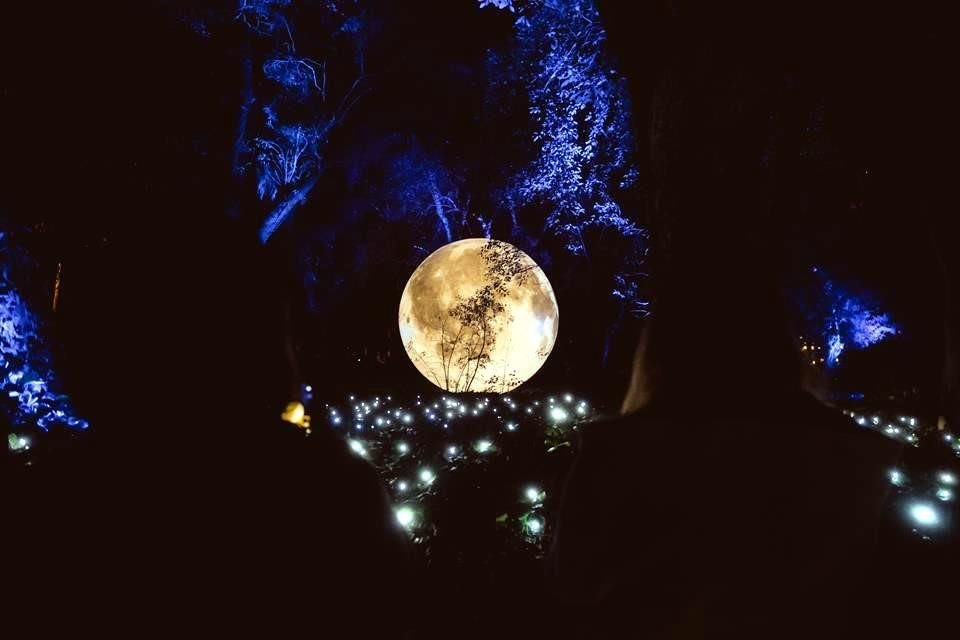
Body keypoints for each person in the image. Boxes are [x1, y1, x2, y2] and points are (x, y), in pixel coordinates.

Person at [548, 1, 946, 637]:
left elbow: (574, 592)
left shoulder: (622, 456)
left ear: (664, 346)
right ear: (774, 338)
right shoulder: (852, 463)